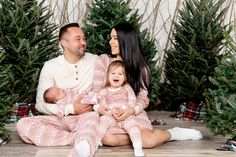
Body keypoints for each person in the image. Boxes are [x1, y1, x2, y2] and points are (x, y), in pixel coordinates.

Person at [92, 22, 203, 149]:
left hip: (133, 112)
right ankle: (135, 137)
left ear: (126, 41)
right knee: (108, 139)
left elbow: (143, 97)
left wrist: (131, 111)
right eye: (110, 38)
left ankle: (172, 133)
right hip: (111, 113)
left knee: (147, 142)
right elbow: (97, 92)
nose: (110, 42)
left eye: (115, 38)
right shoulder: (103, 60)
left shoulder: (141, 68)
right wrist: (104, 109)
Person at [16, 23, 100, 157]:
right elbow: (40, 105)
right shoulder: (50, 66)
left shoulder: (95, 60)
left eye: (84, 38)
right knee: (22, 124)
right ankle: (79, 139)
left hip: (87, 116)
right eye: (78, 39)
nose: (83, 42)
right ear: (64, 43)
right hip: (59, 119)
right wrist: (71, 108)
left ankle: (84, 143)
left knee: (93, 119)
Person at [83, 60, 146, 156]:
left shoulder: (127, 88)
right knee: (102, 122)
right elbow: (102, 104)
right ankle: (96, 142)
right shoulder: (104, 91)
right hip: (111, 114)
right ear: (108, 76)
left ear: (125, 78)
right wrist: (110, 111)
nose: (116, 76)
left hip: (125, 113)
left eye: (120, 74)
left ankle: (137, 146)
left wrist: (126, 109)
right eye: (113, 73)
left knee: (133, 126)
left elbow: (132, 100)